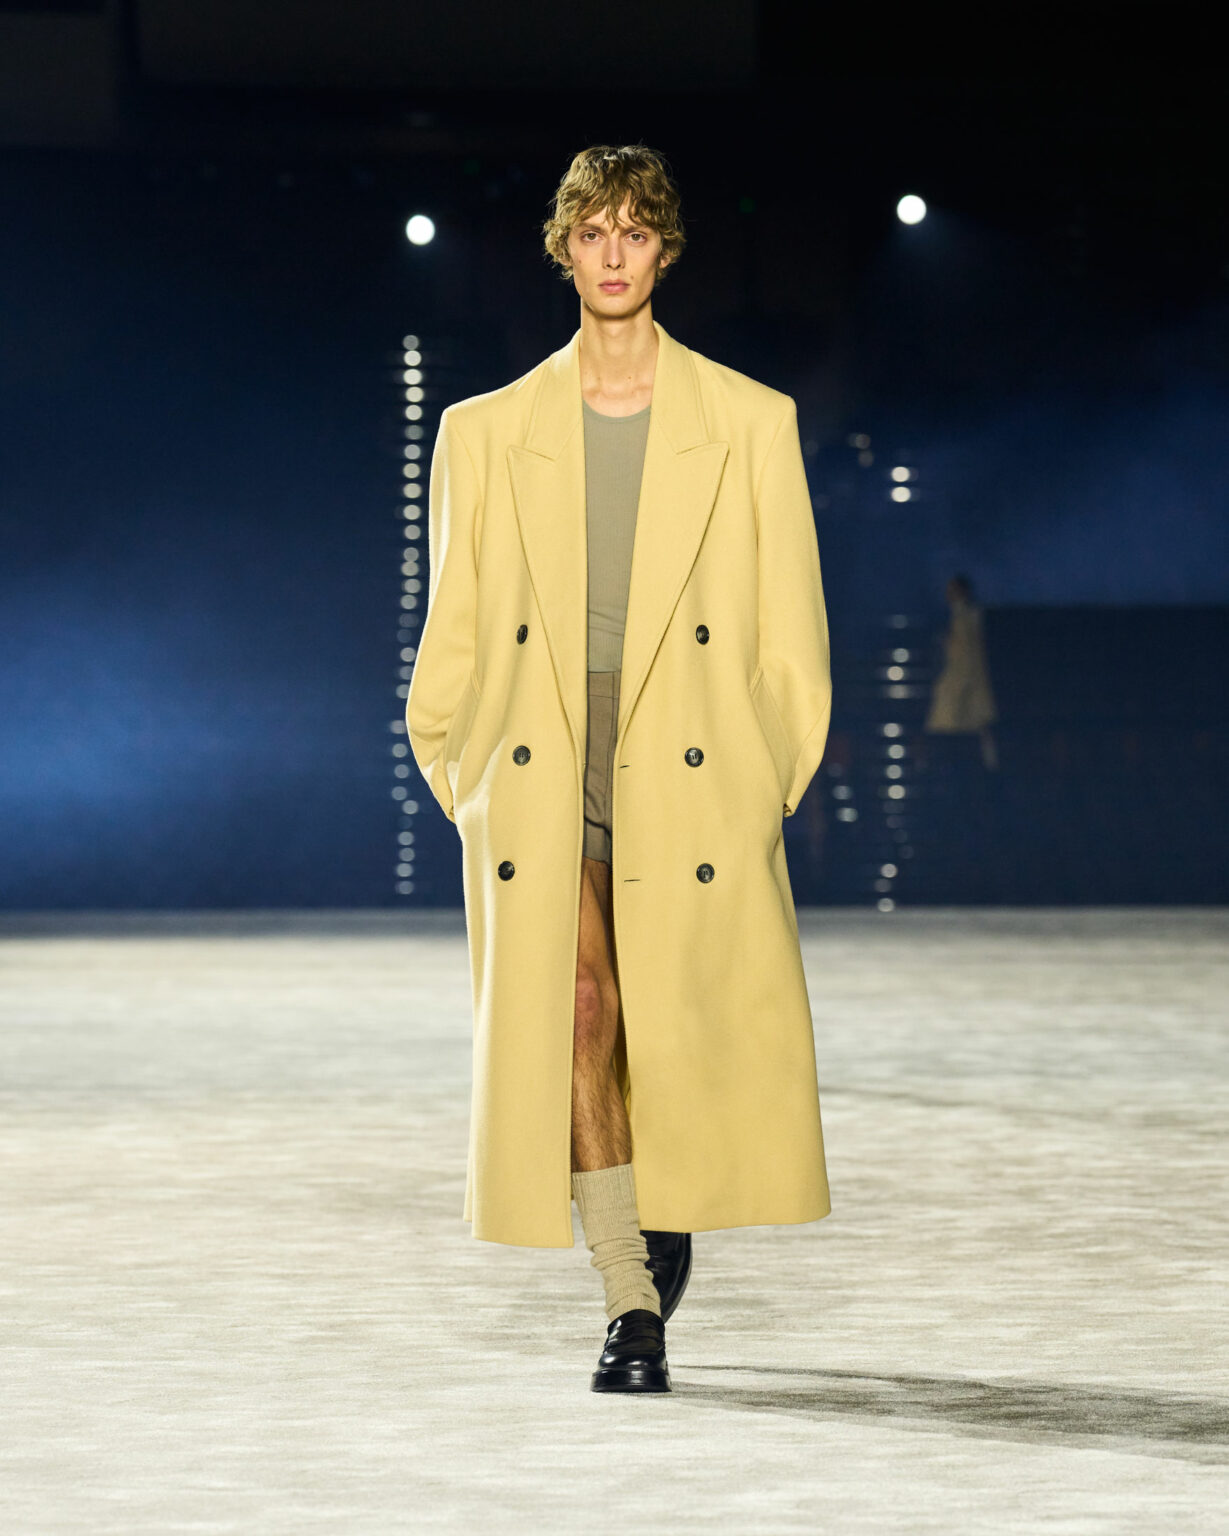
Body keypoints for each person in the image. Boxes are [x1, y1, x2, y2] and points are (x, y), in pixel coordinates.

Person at [407, 143, 834, 1394]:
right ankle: (627, 1298)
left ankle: (659, 1200)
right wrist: (462, 773)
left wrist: (762, 780)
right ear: (563, 248)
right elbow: (453, 625)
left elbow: (790, 633)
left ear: (664, 249)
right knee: (581, 1006)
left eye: (634, 232)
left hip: (689, 750)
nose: (612, 255)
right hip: (541, 751)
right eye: (591, 232)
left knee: (669, 1013)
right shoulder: (482, 432)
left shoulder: (749, 422)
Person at [924, 574, 999, 769]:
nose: (948, 594)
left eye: (952, 590)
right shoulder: (964, 618)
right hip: (962, 686)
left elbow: (966, 657)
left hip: (963, 687)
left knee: (962, 733)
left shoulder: (965, 618)